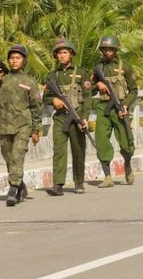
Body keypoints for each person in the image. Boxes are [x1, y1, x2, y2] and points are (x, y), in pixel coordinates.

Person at [0, 44, 42, 206]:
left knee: (18, 156)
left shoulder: (30, 82)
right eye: (11, 58)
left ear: (24, 61)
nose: (14, 61)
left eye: (18, 58)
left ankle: (12, 190)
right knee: (9, 158)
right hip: (4, 125)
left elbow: (36, 107)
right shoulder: (2, 80)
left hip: (22, 126)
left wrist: (36, 129)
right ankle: (21, 186)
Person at [43, 39, 93, 196]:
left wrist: (84, 117)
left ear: (71, 54)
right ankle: (58, 184)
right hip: (60, 118)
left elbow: (88, 97)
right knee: (59, 151)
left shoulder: (82, 73)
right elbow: (45, 96)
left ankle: (79, 182)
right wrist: (53, 100)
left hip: (77, 116)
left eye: (65, 52)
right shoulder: (53, 75)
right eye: (59, 53)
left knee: (78, 150)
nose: (62, 55)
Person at [93, 35, 137, 188]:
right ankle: (107, 176)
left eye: (111, 49)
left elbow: (134, 90)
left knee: (127, 142)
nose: (108, 52)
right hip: (103, 107)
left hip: (120, 108)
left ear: (116, 50)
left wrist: (125, 104)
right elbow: (89, 89)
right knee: (101, 140)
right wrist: (97, 84)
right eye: (105, 49)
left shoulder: (125, 67)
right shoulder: (98, 67)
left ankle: (128, 164)